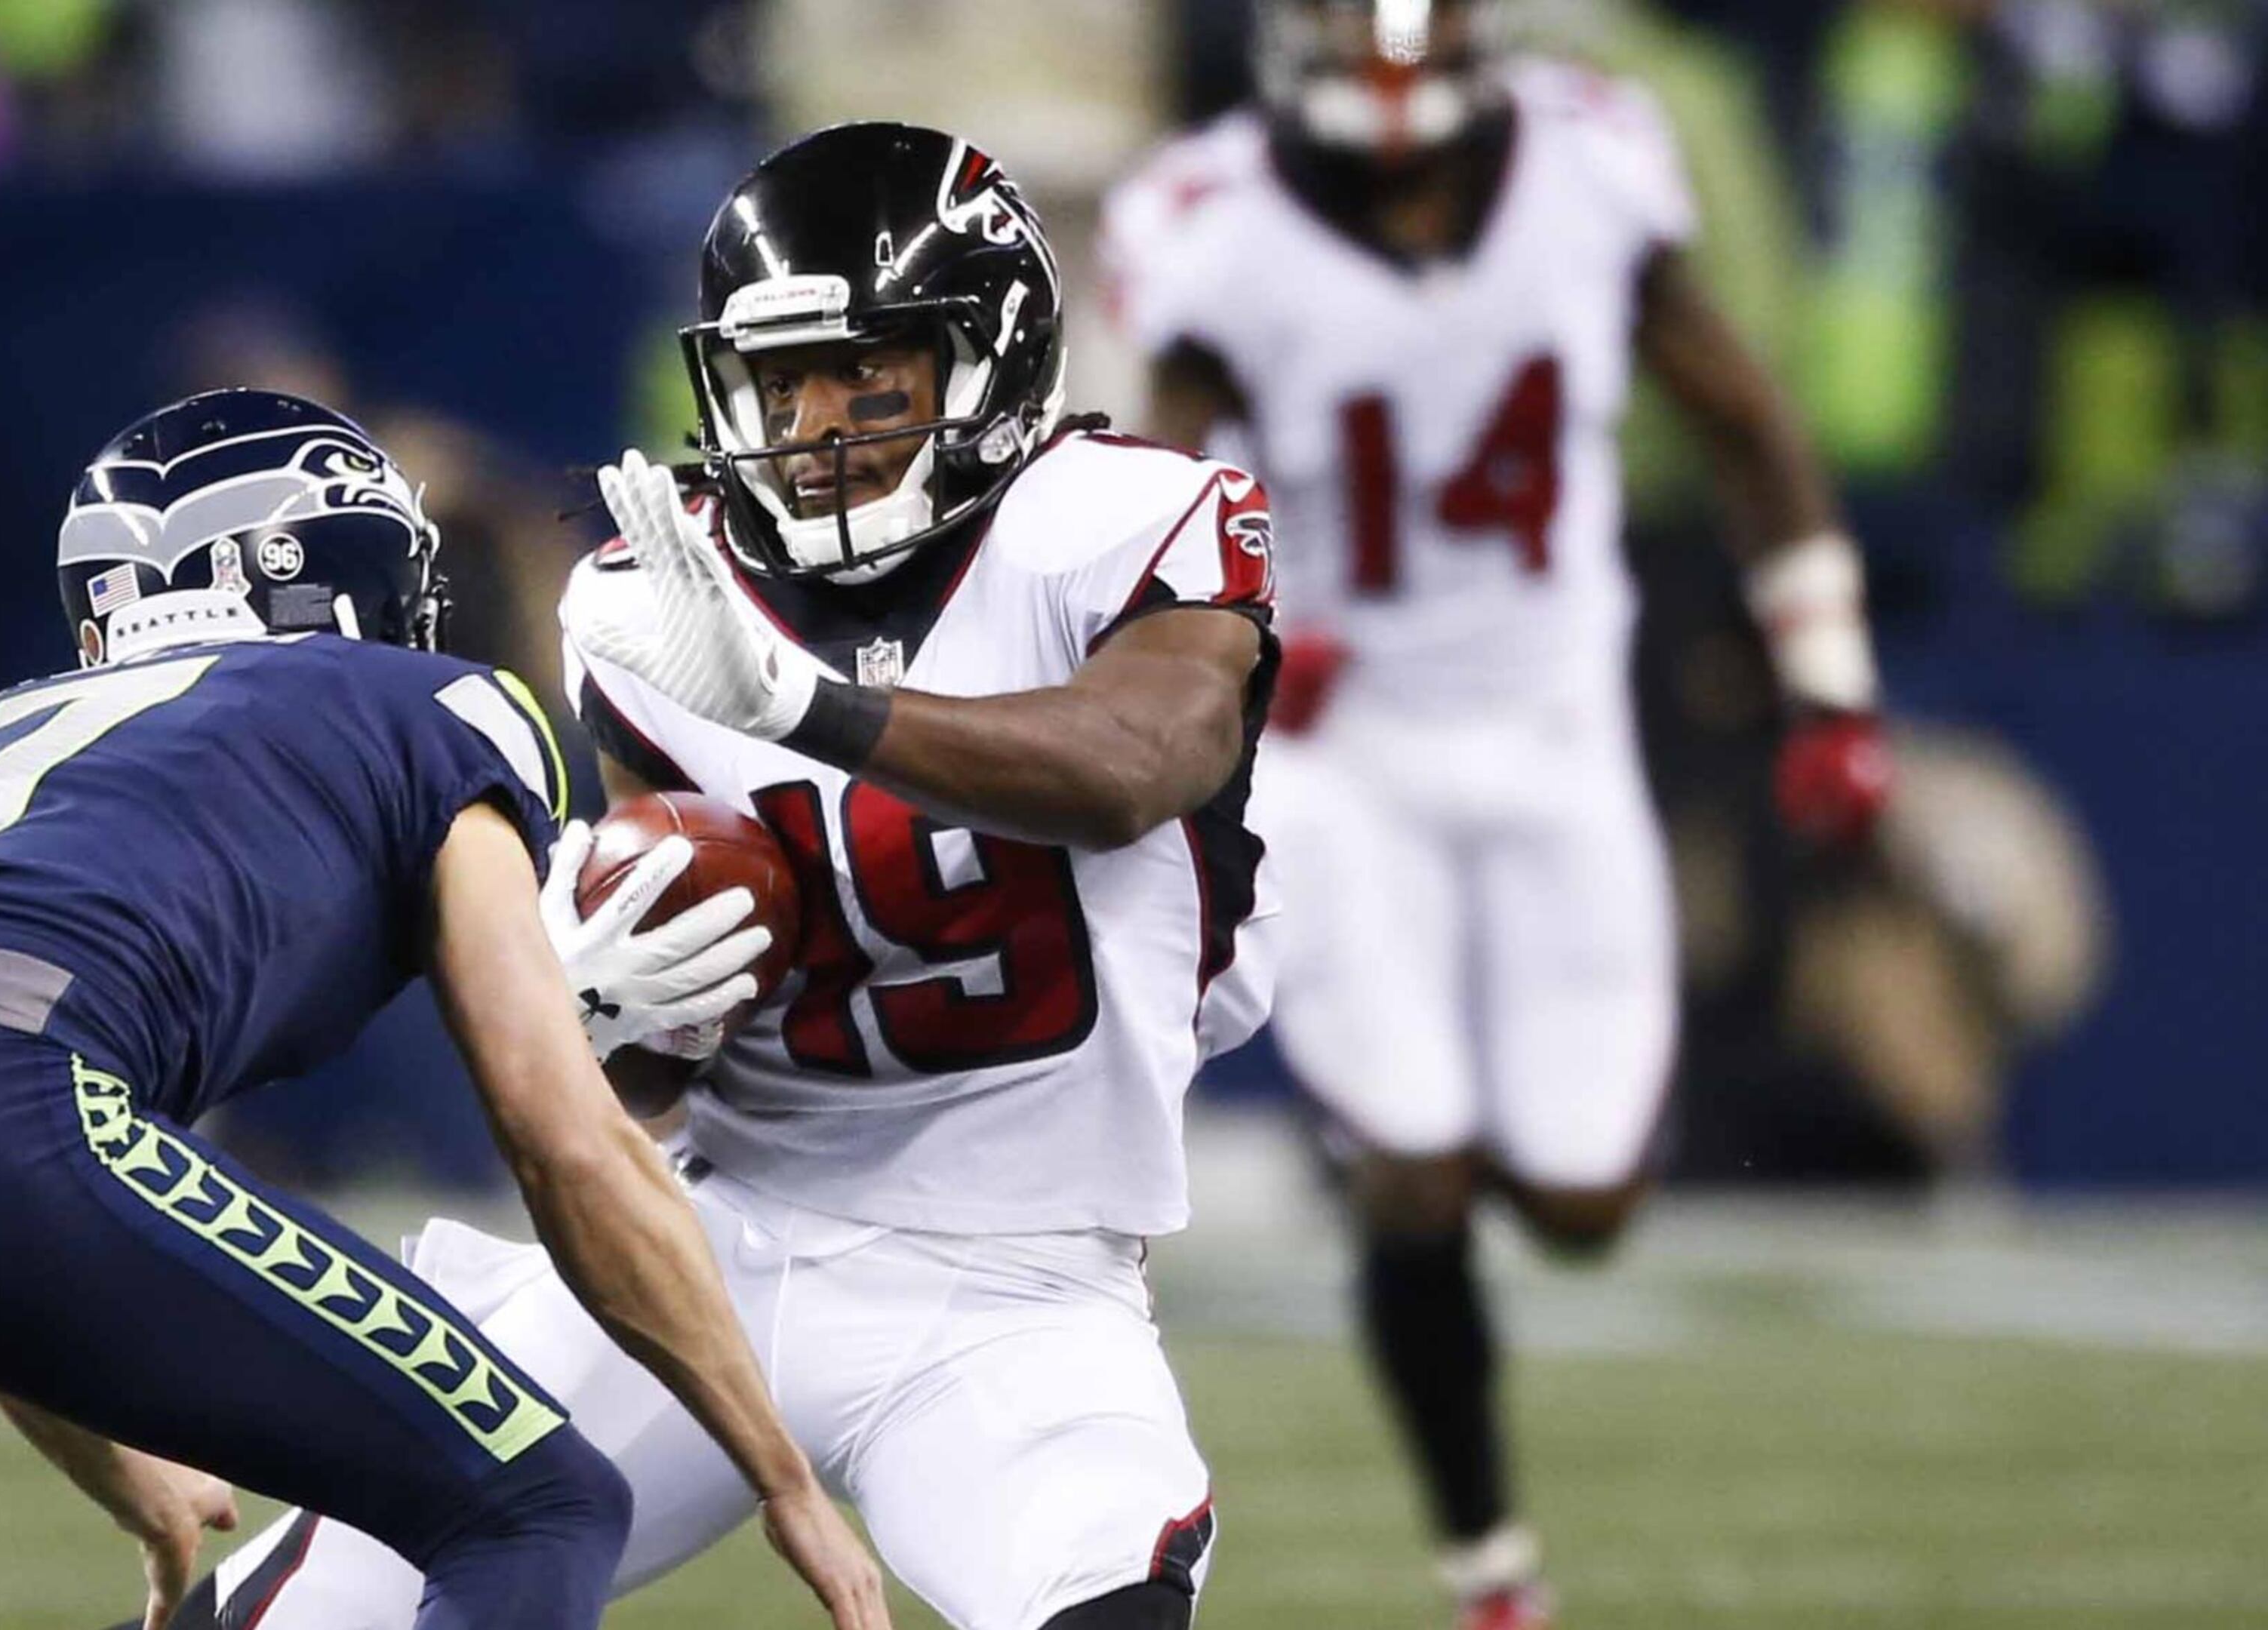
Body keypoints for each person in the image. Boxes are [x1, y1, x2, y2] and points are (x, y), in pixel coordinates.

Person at [182, 122, 1279, 1630]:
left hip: (1018, 1289)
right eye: (782, 379)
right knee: (294, 1618)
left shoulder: (1120, 521)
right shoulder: (652, 597)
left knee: (1105, 1610)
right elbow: (655, 1076)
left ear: (990, 361)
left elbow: (1135, 765)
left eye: (866, 372)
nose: (817, 422)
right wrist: (610, 1017)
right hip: (713, 1242)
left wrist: (806, 709)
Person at [0, 389, 888, 1630]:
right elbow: (562, 1139)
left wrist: (115, 1462)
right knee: (538, 1510)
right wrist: (780, 1475)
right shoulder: (439, 707)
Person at [1100, 4, 1892, 1626]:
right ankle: (1492, 1569)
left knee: (1586, 1204)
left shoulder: (1597, 165)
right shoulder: (1212, 224)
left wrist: (1832, 686)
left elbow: (1746, 425)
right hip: (1340, 751)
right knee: (1414, 1162)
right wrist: (1222, 655)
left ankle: (1492, 1349)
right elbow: (1135, 506)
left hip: (1553, 734)